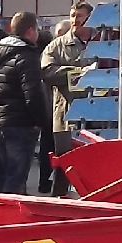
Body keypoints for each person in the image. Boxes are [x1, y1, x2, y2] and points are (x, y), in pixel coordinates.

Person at [0, 12, 45, 195]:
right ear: (30, 30)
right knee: (16, 180)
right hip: (20, 123)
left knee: (1, 176)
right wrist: (40, 121)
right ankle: (11, 212)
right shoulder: (27, 54)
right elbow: (33, 93)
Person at [41, 10, 89, 197]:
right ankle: (59, 202)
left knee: (96, 165)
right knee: (65, 165)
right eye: (73, 15)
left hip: (100, 118)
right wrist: (80, 73)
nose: (75, 20)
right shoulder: (57, 46)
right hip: (66, 116)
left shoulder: (103, 44)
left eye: (80, 15)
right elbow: (46, 72)